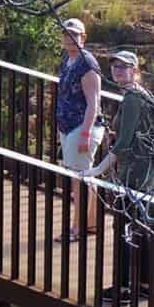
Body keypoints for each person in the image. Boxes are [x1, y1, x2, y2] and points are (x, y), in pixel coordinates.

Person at [82, 50, 154, 306]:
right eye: (115, 66)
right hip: (149, 175)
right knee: (141, 229)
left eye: (124, 67)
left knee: (126, 230)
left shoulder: (132, 100)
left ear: (135, 70)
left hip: (135, 177)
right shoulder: (141, 95)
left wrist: (96, 170)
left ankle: (125, 288)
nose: (118, 71)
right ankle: (144, 286)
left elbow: (124, 145)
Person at [56, 17, 104, 240]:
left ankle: (77, 229)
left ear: (83, 38)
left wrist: (85, 134)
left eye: (75, 35)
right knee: (84, 176)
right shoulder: (68, 60)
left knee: (79, 179)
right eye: (67, 34)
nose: (70, 38)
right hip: (69, 127)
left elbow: (93, 104)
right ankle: (91, 224)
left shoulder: (87, 64)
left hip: (83, 127)